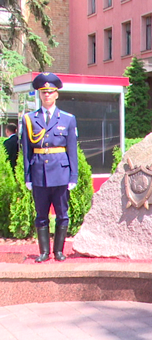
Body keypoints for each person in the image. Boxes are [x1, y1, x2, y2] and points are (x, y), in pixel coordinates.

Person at [21, 72, 78, 262]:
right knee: (41, 215)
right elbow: (27, 151)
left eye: (50, 92)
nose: (47, 95)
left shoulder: (68, 119)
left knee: (62, 214)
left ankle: (59, 251)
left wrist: (73, 177)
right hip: (39, 173)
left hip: (61, 174)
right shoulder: (29, 119)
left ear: (56, 94)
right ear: (39, 94)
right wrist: (27, 176)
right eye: (43, 92)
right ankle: (44, 252)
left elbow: (72, 151)